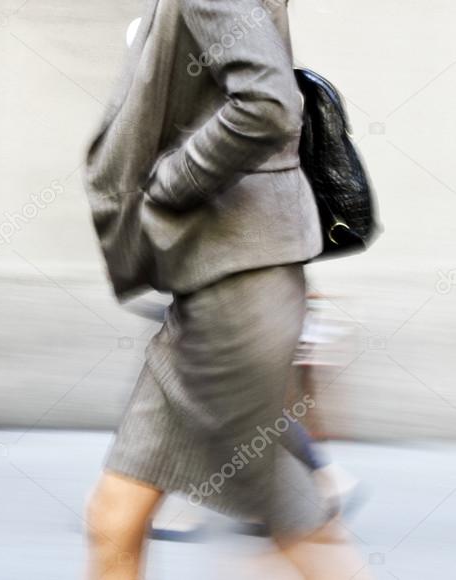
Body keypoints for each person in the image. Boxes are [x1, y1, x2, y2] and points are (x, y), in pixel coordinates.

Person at [82, 0, 373, 578]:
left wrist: (169, 184)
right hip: (211, 281)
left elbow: (268, 103)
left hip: (234, 285)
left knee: (297, 527)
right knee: (113, 519)